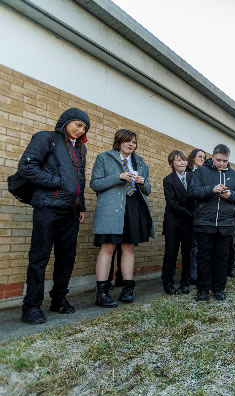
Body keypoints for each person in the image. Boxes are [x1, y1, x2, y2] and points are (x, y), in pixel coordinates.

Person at [18, 108, 90, 324]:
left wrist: (81, 206)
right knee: (39, 258)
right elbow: (27, 167)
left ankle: (59, 299)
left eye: (84, 127)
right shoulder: (45, 138)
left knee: (66, 258)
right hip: (47, 207)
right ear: (66, 121)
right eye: (78, 124)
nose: (81, 130)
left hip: (71, 211)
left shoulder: (81, 149)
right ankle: (31, 307)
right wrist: (57, 182)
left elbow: (80, 178)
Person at [91, 129, 155, 307]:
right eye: (127, 141)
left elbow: (148, 190)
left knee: (128, 247)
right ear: (119, 142)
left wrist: (143, 183)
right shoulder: (104, 158)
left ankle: (128, 288)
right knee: (107, 247)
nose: (131, 144)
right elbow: (95, 184)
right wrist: (118, 177)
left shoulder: (141, 163)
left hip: (133, 207)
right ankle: (102, 293)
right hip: (111, 209)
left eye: (134, 142)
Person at [189, 144, 235, 302]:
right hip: (204, 223)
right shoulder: (201, 171)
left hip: (226, 224)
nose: (221, 163)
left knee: (222, 258)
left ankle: (219, 289)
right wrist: (211, 189)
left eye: (225, 160)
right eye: (218, 160)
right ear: (212, 157)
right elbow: (193, 191)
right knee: (204, 258)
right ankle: (203, 290)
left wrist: (230, 195)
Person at [161, 150, 195, 295]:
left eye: (184, 160)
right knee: (171, 253)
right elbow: (172, 203)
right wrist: (191, 215)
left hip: (189, 224)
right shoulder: (168, 180)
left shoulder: (193, 177)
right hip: (173, 222)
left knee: (187, 253)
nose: (182, 163)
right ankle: (168, 283)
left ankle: (185, 282)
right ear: (171, 163)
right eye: (178, 160)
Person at [186, 148, 206, 286]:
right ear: (193, 157)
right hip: (187, 213)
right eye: (200, 156)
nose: (202, 159)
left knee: (199, 245)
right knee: (191, 245)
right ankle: (191, 274)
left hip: (202, 213)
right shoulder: (187, 173)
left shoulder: (205, 174)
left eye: (204, 157)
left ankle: (197, 274)